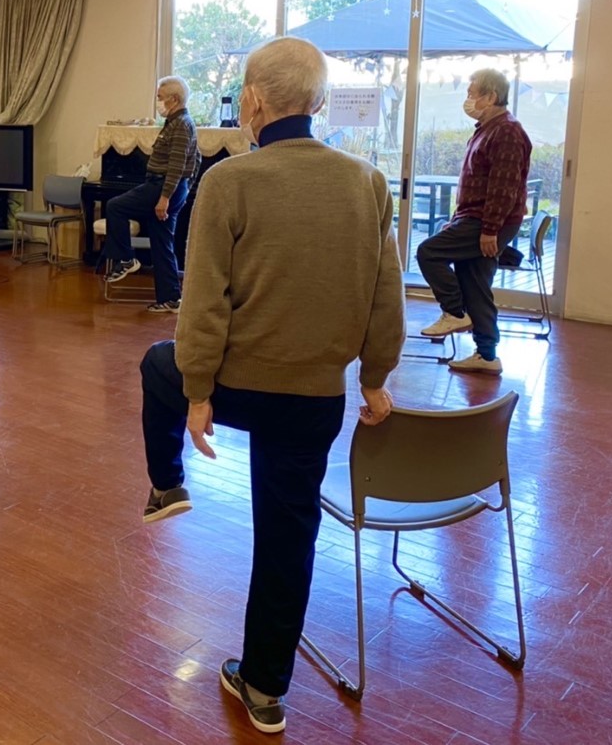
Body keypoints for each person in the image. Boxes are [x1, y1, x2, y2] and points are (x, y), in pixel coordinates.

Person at [137, 38, 405, 735]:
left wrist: (199, 394)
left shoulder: (230, 180)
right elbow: (387, 298)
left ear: (253, 101)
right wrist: (376, 378)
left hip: (237, 387)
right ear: (320, 102)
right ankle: (263, 688)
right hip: (316, 399)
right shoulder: (368, 182)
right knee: (289, 537)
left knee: (157, 366)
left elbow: (203, 303)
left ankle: (167, 483)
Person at [416, 68, 532, 375]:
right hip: (475, 218)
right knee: (476, 284)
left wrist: (490, 229)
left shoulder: (507, 131)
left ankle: (454, 312)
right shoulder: (487, 128)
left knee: (428, 252)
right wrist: (457, 220)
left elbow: (503, 186)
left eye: (472, 94)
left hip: (487, 220)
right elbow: (475, 182)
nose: (468, 100)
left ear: (491, 96)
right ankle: (487, 355)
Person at [103, 76, 200, 314]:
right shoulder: (176, 122)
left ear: (174, 99)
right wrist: (183, 189)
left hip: (162, 187)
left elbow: (177, 165)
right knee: (161, 242)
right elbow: (196, 158)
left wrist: (166, 197)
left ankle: (125, 259)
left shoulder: (181, 124)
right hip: (171, 188)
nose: (158, 102)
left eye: (160, 97)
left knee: (115, 206)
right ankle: (170, 298)